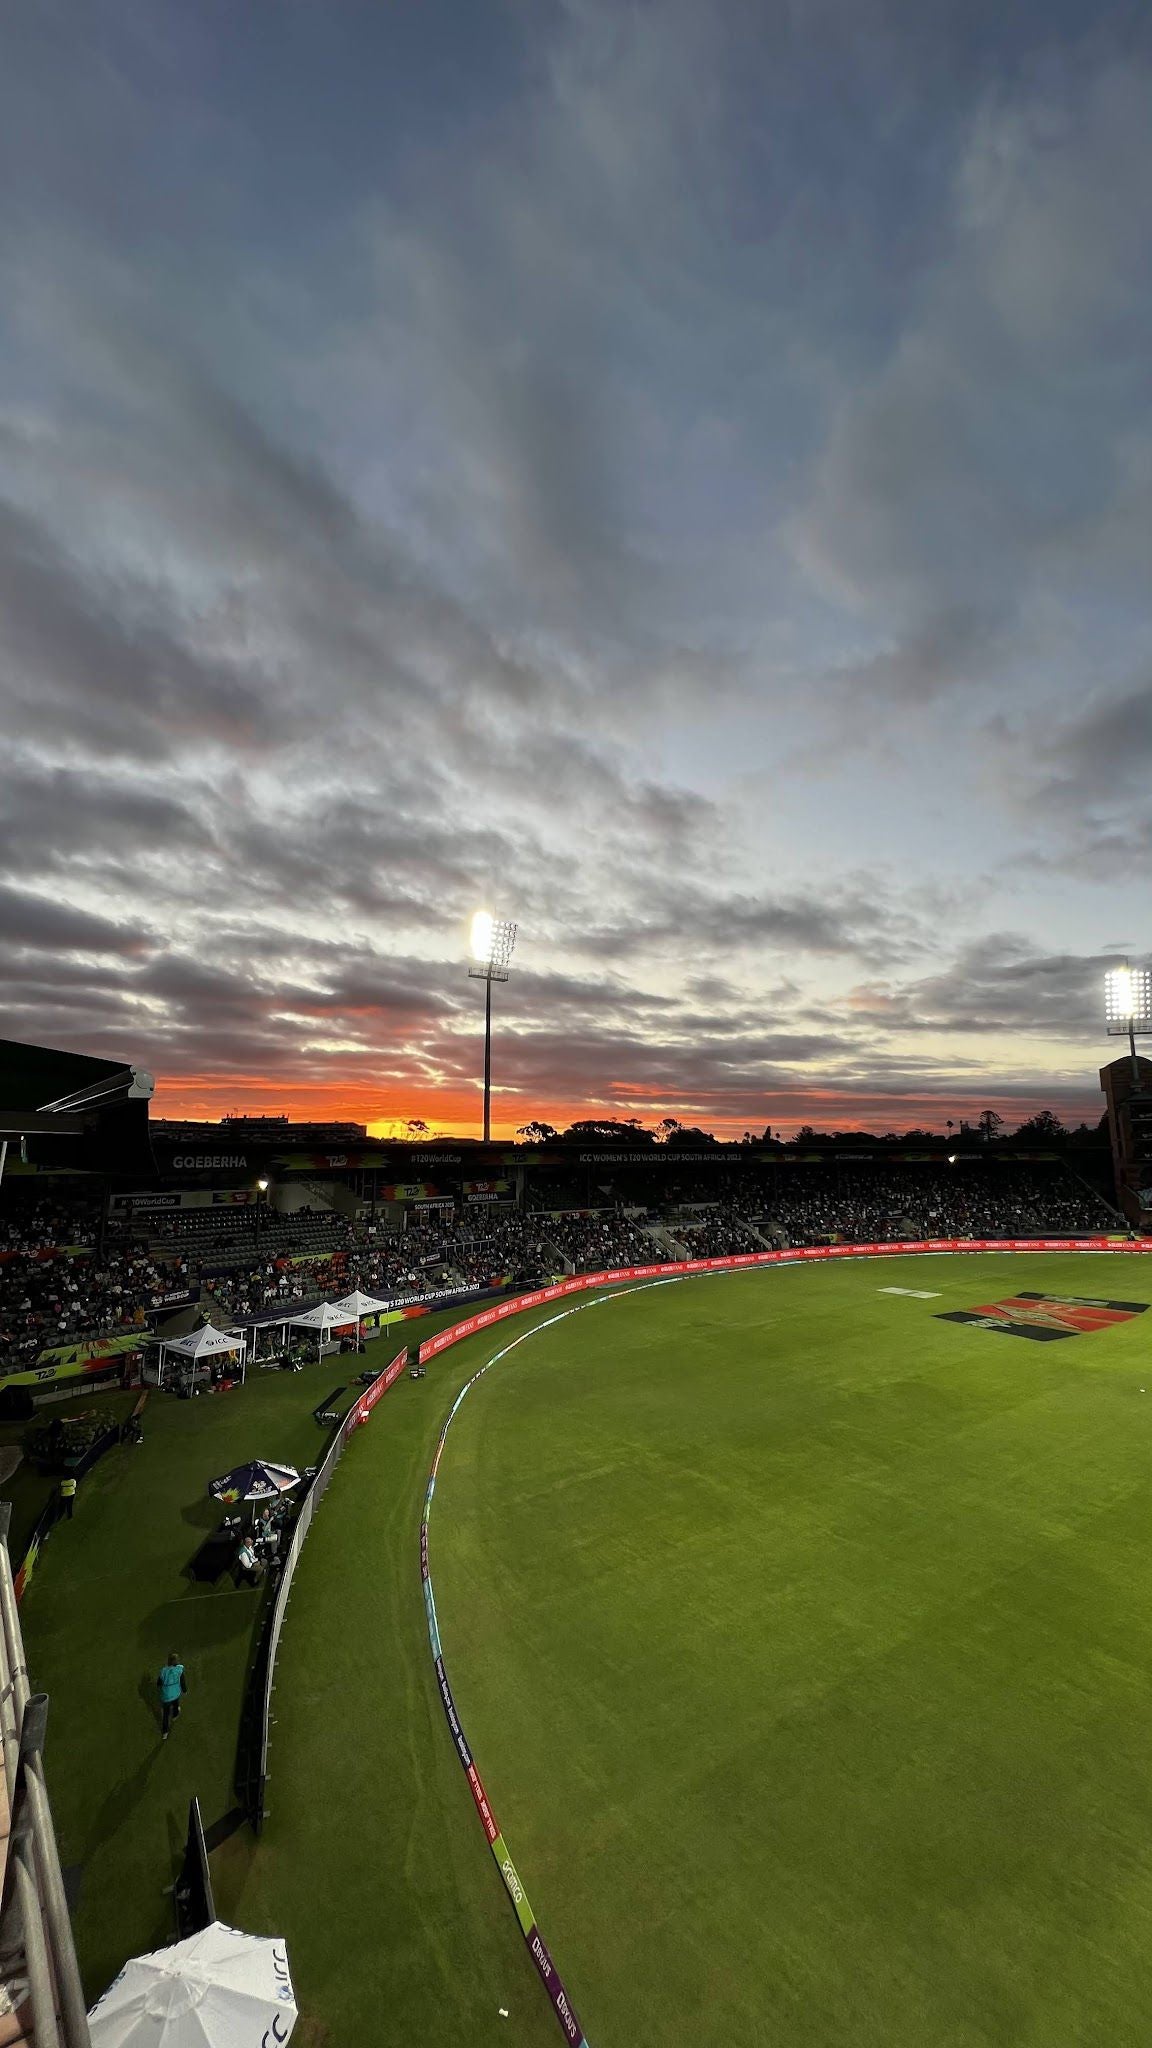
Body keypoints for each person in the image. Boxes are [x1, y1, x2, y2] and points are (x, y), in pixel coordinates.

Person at [157, 1652, 186, 1738]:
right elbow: (182, 1682)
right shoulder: (179, 1670)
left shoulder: (163, 1671)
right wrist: (184, 1690)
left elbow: (159, 1683)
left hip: (166, 1696)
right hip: (175, 1693)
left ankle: (165, 1733)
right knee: (176, 1704)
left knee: (165, 1715)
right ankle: (175, 1715)